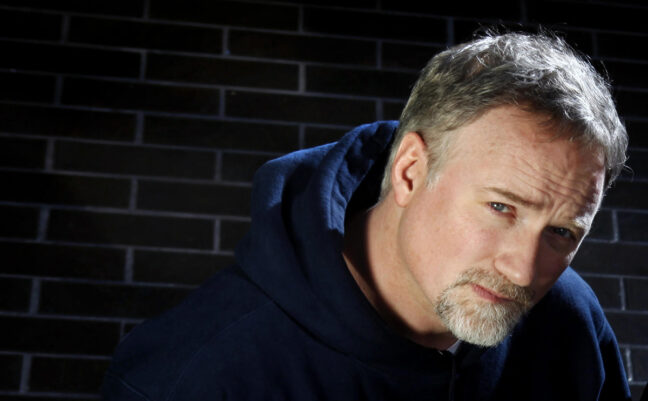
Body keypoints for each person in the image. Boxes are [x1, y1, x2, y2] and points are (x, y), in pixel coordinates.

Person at [102, 32, 631, 400]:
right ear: (409, 171)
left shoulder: (569, 320)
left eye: (562, 232)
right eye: (501, 208)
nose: (522, 270)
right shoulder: (191, 377)